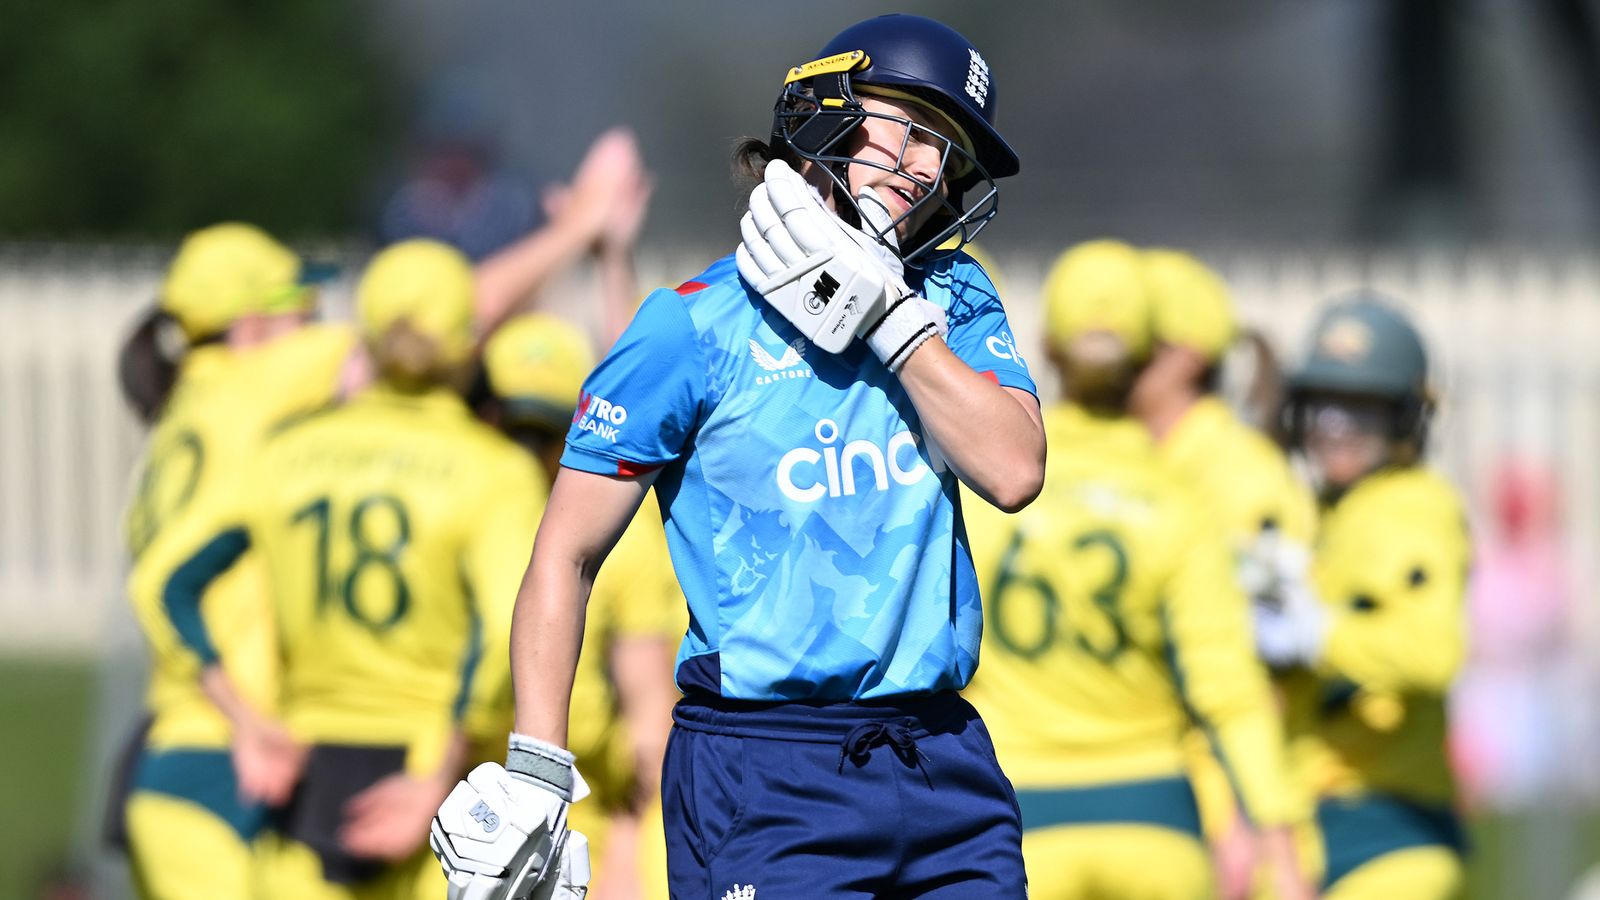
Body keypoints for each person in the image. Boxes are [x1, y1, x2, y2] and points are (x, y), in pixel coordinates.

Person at [431, 13, 1043, 900]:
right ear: (827, 115)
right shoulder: (691, 325)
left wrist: (887, 319)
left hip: (942, 759)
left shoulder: (953, 296)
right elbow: (564, 553)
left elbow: (1014, 469)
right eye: (907, 127)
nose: (923, 165)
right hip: (765, 769)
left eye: (944, 148)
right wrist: (537, 767)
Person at [162, 240, 549, 898]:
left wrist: (247, 723)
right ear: (468, 344)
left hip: (306, 786)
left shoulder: (286, 452)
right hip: (437, 792)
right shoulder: (496, 473)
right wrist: (437, 771)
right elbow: (511, 631)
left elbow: (171, 588)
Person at [963, 240, 1309, 900]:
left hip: (1017, 819)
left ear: (1049, 349)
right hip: (1157, 826)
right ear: (1149, 360)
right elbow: (1229, 690)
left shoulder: (986, 495)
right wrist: (1278, 838)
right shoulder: (1180, 503)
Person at [117, 223, 355, 900]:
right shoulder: (254, 387)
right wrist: (574, 229)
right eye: (301, 309)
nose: (317, 322)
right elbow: (422, 332)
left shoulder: (181, 415)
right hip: (227, 751)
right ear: (252, 325)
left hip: (187, 744)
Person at [1256, 293, 1468, 899]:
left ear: (1404, 418)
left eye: (1361, 408)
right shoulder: (1320, 511)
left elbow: (1431, 651)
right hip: (1312, 825)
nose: (1335, 426)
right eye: (1324, 403)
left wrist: (1317, 634)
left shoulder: (1413, 505)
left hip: (1390, 828)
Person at [1129, 245, 1318, 897]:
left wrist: (1241, 812)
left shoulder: (1240, 475)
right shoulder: (1138, 462)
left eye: (1134, 338)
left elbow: (1269, 658)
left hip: (1231, 824)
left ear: (1184, 356)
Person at [479, 313, 682, 900]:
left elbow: (648, 712)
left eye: (541, 436)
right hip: (463, 794)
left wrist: (626, 841)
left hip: (577, 811)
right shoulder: (464, 504)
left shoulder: (626, 540)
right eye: (512, 431)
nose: (525, 455)